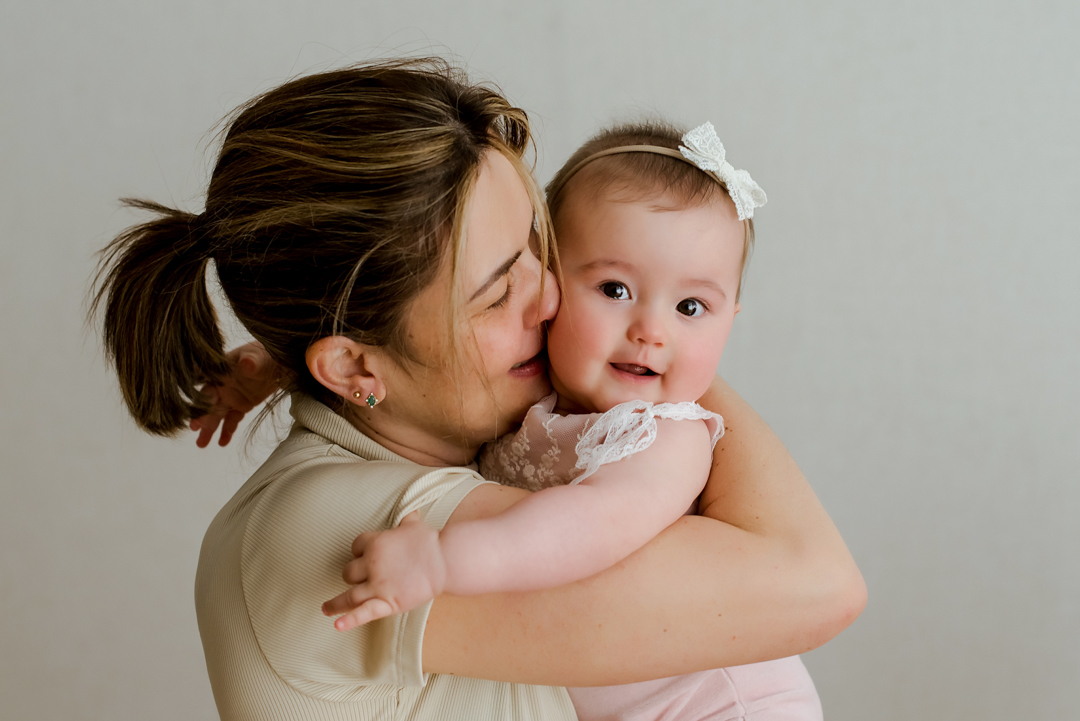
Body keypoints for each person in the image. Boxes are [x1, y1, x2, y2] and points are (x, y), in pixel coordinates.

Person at [92, 58, 865, 721]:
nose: (553, 295)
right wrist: (660, 334)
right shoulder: (340, 532)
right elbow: (816, 584)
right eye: (499, 293)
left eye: (540, 245)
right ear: (357, 368)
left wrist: (647, 315)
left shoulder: (441, 430)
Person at [321, 120, 823, 720]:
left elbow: (585, 527)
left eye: (692, 307)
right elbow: (406, 350)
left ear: (730, 318)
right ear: (548, 279)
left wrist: (447, 559)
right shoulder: (537, 393)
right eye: (614, 289)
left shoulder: (664, 436)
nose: (650, 331)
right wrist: (274, 360)